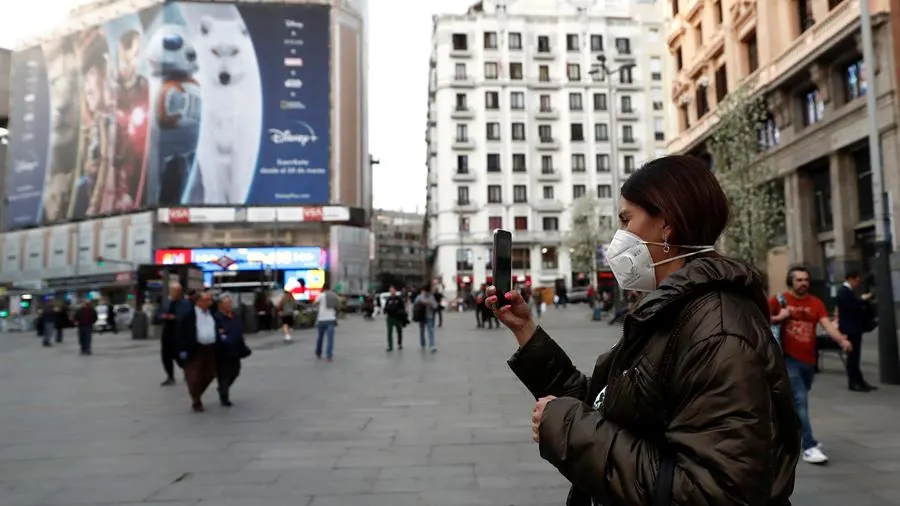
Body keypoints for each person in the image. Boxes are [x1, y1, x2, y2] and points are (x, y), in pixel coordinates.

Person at [486, 155, 801, 506]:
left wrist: (568, 427)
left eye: (626, 219)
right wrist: (526, 331)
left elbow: (715, 492)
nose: (619, 236)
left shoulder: (718, 329)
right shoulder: (673, 310)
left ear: (666, 223)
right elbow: (605, 406)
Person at [770, 266, 852, 464]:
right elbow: (758, 321)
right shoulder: (778, 300)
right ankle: (809, 445)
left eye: (806, 279)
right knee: (800, 400)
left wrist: (841, 340)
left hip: (808, 362)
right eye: (799, 280)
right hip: (787, 359)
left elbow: (827, 325)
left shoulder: (816, 303)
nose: (803, 283)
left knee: (795, 402)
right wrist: (780, 317)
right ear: (791, 282)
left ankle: (784, 436)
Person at [176, 291, 218, 412]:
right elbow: (181, 334)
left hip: (210, 348)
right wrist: (182, 350)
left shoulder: (212, 314)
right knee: (193, 377)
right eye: (206, 300)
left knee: (209, 374)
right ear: (198, 302)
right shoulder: (189, 316)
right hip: (195, 349)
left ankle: (197, 394)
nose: (209, 303)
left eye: (210, 300)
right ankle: (196, 400)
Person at [835, 271, 877, 392]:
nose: (858, 283)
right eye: (857, 280)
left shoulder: (846, 292)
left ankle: (859, 381)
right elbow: (852, 307)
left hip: (853, 327)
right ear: (851, 279)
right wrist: (863, 300)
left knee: (854, 357)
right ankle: (854, 382)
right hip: (850, 328)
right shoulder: (844, 292)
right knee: (853, 357)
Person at [214, 294, 251, 407]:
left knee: (235, 371)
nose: (230, 305)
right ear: (220, 306)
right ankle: (224, 396)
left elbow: (239, 331)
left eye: (230, 303)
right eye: (227, 303)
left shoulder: (235, 316)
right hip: (222, 351)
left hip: (236, 350)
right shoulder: (217, 318)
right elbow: (217, 333)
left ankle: (222, 388)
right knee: (224, 374)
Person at [154, 282, 192, 386]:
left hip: (179, 333)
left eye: (175, 291)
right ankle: (170, 376)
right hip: (167, 332)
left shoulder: (186, 303)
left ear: (180, 291)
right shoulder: (166, 302)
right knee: (166, 355)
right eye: (171, 290)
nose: (172, 293)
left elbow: (187, 318)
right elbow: (157, 314)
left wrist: (174, 318)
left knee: (179, 356)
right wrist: (162, 317)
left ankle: (187, 372)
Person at [315, 281, 340, 361]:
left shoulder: (321, 295)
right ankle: (329, 356)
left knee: (320, 337)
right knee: (330, 339)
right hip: (331, 319)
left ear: (323, 288)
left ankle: (318, 353)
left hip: (321, 319)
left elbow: (315, 303)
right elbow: (338, 306)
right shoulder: (334, 295)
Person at [413, 285, 439, 352]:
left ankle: (432, 345)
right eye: (426, 291)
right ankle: (422, 343)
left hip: (429, 316)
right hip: (421, 316)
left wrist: (431, 303)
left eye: (428, 291)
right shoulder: (419, 296)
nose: (427, 293)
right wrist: (422, 302)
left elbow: (435, 306)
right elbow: (415, 304)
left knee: (431, 330)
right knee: (422, 330)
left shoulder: (431, 297)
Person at [384, 286, 407, 351]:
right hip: (390, 318)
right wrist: (386, 312)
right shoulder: (388, 299)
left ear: (395, 291)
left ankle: (399, 343)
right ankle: (390, 346)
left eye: (393, 291)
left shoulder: (399, 299)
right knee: (389, 332)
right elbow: (385, 307)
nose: (392, 292)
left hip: (397, 318)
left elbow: (403, 308)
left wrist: (402, 315)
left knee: (399, 331)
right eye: (391, 291)